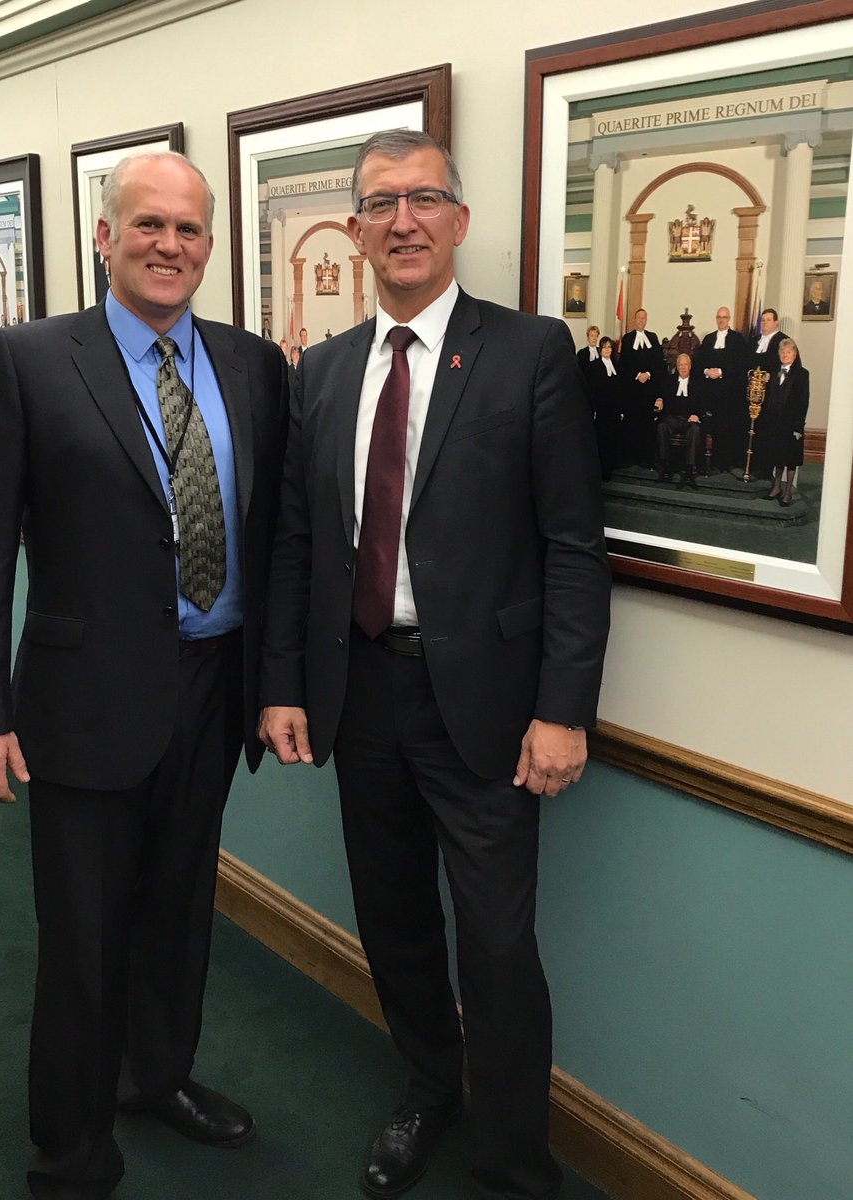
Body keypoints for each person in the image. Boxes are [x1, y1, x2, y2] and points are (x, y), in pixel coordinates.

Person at [258, 129, 611, 1200]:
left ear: (457, 220)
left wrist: (562, 709)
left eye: (423, 199)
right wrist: (280, 680)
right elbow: (296, 541)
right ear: (354, 229)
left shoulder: (527, 353)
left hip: (489, 708)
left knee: (497, 947)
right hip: (357, 692)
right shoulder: (318, 371)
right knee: (393, 918)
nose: (401, 220)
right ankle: (427, 1082)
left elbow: (571, 548)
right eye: (379, 203)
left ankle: (510, 1163)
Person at [0, 150, 289, 1200]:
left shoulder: (253, 364)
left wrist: (274, 681)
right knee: (84, 937)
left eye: (187, 230)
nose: (168, 246)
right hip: (82, 702)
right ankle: (72, 1145)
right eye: (147, 225)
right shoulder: (30, 360)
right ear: (105, 236)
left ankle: (158, 1076)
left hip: (212, 691)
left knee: (179, 910)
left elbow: (275, 538)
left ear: (210, 246)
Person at [755, 336, 809, 504]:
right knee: (777, 456)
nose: (785, 355)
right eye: (783, 352)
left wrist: (798, 427)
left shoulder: (802, 374)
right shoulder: (774, 371)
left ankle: (787, 492)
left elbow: (803, 400)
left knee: (790, 458)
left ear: (794, 354)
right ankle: (776, 487)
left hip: (791, 423)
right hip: (775, 422)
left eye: (788, 352)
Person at [693, 306, 747, 470]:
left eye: (724, 317)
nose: (721, 320)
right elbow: (698, 363)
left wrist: (722, 372)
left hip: (729, 393)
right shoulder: (709, 339)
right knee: (709, 425)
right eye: (719, 317)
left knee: (725, 428)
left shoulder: (737, 339)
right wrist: (707, 371)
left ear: (729, 319)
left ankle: (723, 462)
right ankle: (703, 463)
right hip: (709, 391)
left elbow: (741, 365)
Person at [618, 307, 665, 465]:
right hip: (633, 389)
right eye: (638, 318)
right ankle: (631, 457)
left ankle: (647, 458)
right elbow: (624, 364)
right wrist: (638, 375)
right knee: (632, 423)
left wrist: (648, 374)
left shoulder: (652, 337)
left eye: (643, 318)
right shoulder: (628, 338)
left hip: (649, 389)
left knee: (647, 424)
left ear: (646, 320)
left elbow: (659, 362)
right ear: (634, 320)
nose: (640, 321)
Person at [655, 352, 702, 488]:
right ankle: (665, 467)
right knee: (661, 427)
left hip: (688, 419)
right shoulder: (670, 380)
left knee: (695, 429)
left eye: (685, 364)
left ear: (690, 366)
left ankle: (688, 471)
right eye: (680, 364)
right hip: (672, 419)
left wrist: (697, 415)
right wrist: (659, 399)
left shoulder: (697, 383)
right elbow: (660, 394)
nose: (683, 367)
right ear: (676, 366)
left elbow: (703, 403)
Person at [590, 335, 622, 481]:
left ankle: (610, 466)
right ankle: (602, 469)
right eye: (605, 347)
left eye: (609, 347)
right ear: (600, 349)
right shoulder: (596, 365)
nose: (607, 349)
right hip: (602, 409)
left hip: (614, 409)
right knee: (602, 439)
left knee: (613, 438)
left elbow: (620, 389)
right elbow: (595, 389)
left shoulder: (615, 364)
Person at [749, 307, 786, 376]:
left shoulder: (783, 341)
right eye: (763, 320)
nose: (765, 323)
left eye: (768, 320)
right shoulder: (754, 341)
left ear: (776, 322)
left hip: (773, 384)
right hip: (753, 384)